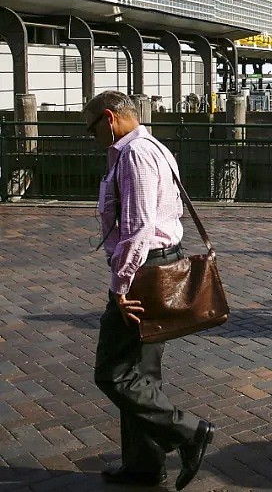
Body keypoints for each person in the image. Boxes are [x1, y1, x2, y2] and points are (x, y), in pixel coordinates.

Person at [84, 91, 214, 490]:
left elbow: (137, 230)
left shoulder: (135, 155)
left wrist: (120, 287)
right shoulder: (152, 145)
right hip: (155, 264)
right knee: (143, 374)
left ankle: (189, 432)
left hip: (143, 271)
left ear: (109, 118)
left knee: (113, 373)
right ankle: (143, 465)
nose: (91, 137)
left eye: (91, 128)